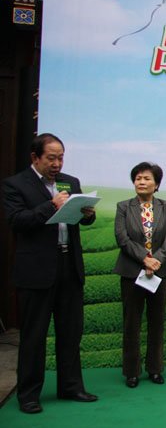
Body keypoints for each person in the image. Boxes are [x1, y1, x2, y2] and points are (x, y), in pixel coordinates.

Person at [1, 133, 98, 414]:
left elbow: (78, 220)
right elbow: (17, 221)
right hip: (36, 271)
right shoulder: (15, 184)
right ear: (35, 157)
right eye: (51, 158)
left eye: (61, 158)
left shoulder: (71, 182)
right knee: (34, 336)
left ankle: (71, 387)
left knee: (70, 332)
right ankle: (29, 395)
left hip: (69, 266)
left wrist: (87, 214)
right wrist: (50, 205)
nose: (57, 164)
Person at [114, 162, 166, 388]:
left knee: (156, 322)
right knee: (131, 323)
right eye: (138, 178)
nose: (142, 182)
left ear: (156, 184)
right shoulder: (124, 207)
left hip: (160, 271)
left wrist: (156, 260)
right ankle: (132, 371)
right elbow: (122, 238)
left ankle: (155, 369)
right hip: (132, 272)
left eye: (147, 178)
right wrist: (145, 259)